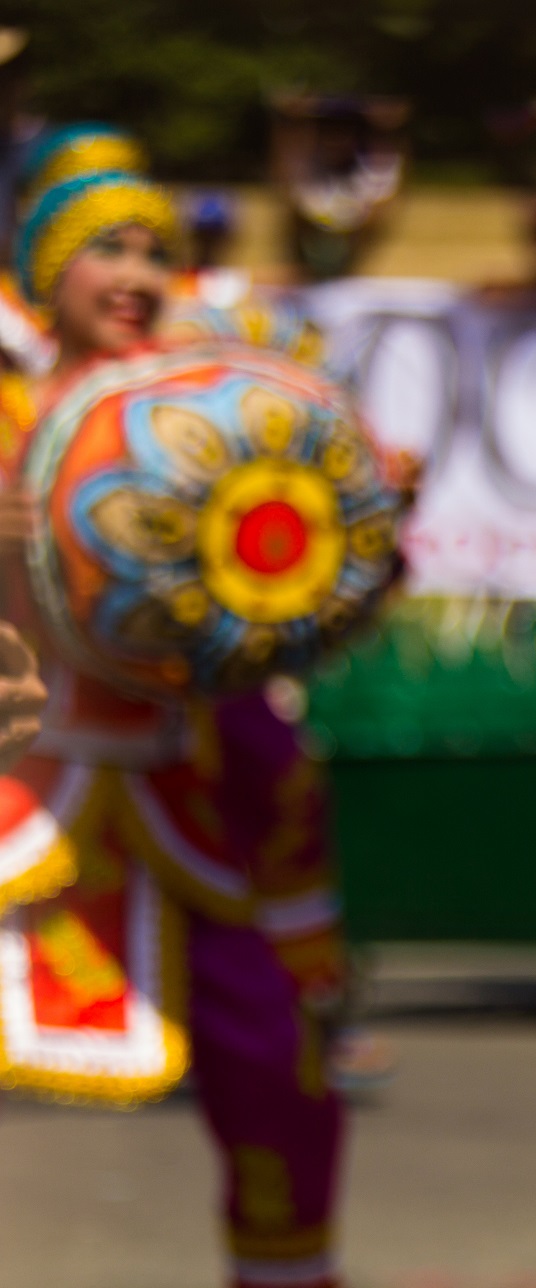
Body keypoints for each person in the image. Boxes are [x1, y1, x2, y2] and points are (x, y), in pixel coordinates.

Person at [0, 169, 346, 1288]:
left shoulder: (212, 414)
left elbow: (277, 607)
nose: (139, 277)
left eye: (157, 253)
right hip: (20, 791)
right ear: (49, 278)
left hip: (175, 791)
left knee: (278, 1072)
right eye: (111, 251)